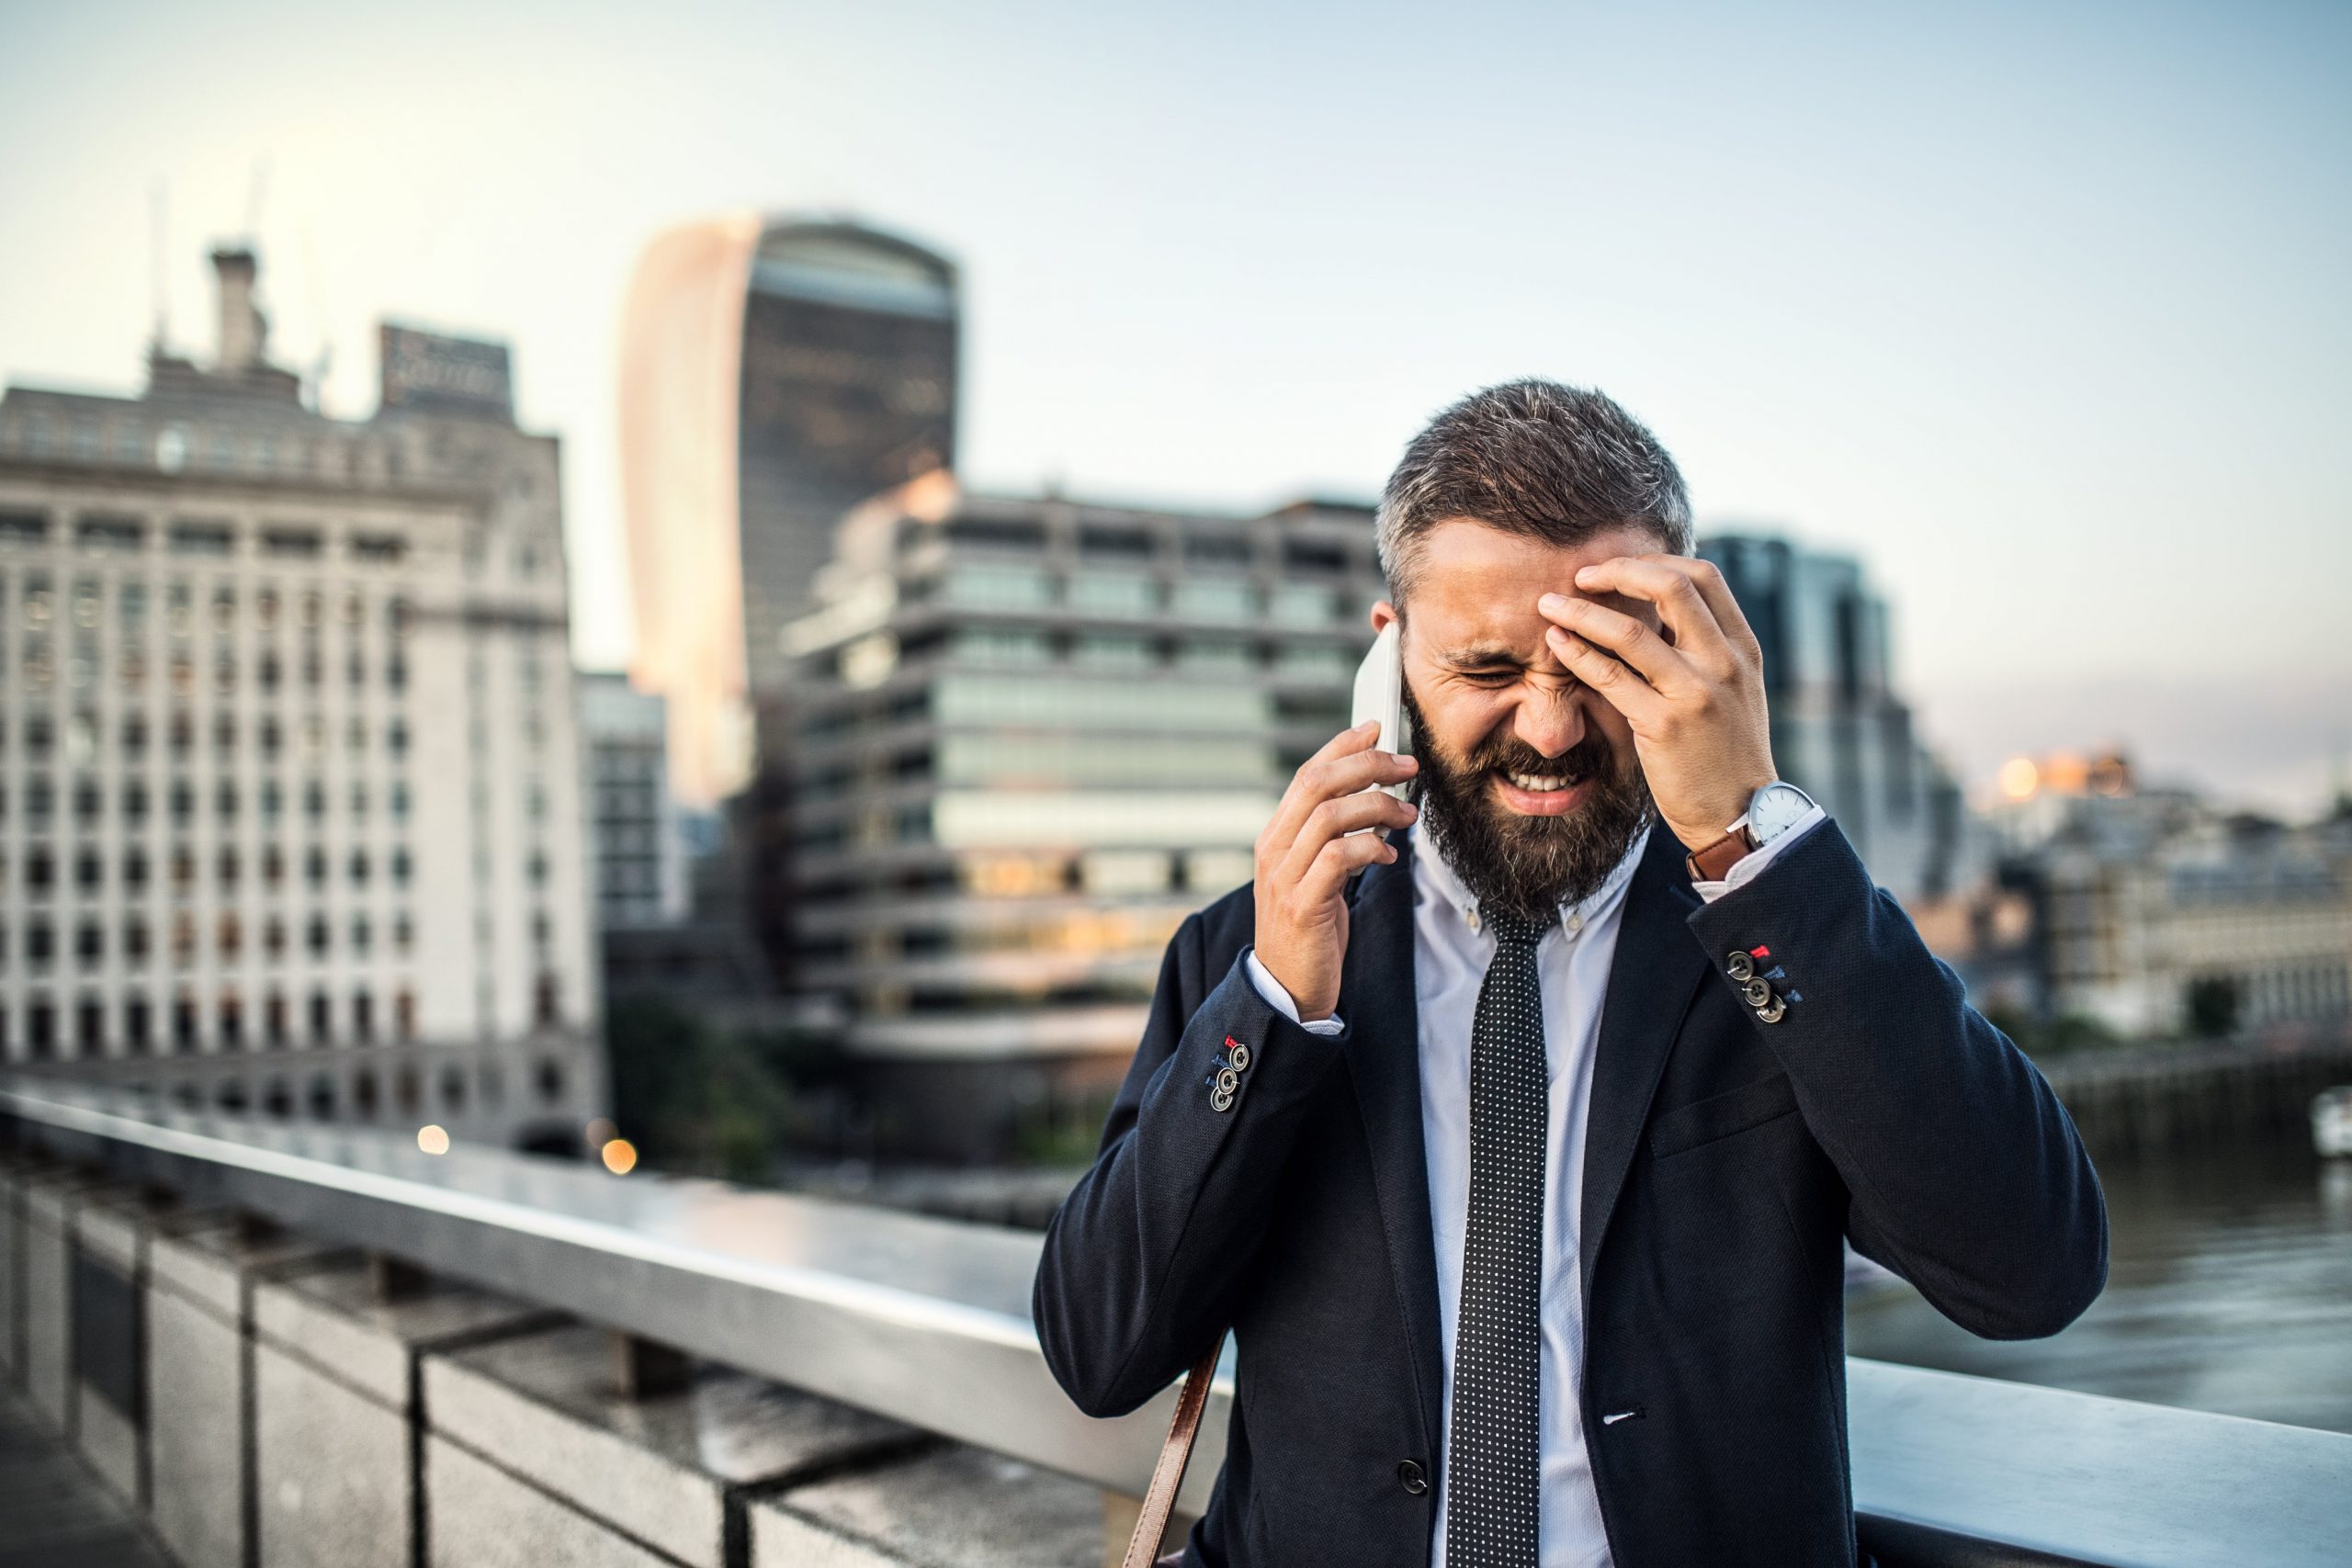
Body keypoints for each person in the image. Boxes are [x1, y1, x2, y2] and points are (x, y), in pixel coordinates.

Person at [1031, 379, 2108, 1568]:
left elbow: (2033, 1274)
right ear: (1388, 664)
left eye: (1600, 665)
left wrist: (1753, 847)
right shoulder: (1248, 955)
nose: (1548, 730)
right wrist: (1278, 1005)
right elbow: (1099, 1351)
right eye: (1487, 669)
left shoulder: (1783, 939)